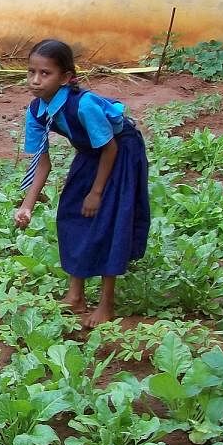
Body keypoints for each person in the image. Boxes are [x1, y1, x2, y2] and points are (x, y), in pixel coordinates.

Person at [14, 39, 150, 329]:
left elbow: (110, 148)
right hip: (90, 153)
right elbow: (43, 162)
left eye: (45, 73)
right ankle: (75, 295)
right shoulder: (36, 111)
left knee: (108, 220)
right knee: (70, 216)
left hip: (120, 151)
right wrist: (27, 205)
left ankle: (106, 303)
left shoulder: (84, 105)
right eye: (31, 72)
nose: (36, 81)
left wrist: (96, 192)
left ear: (65, 77)